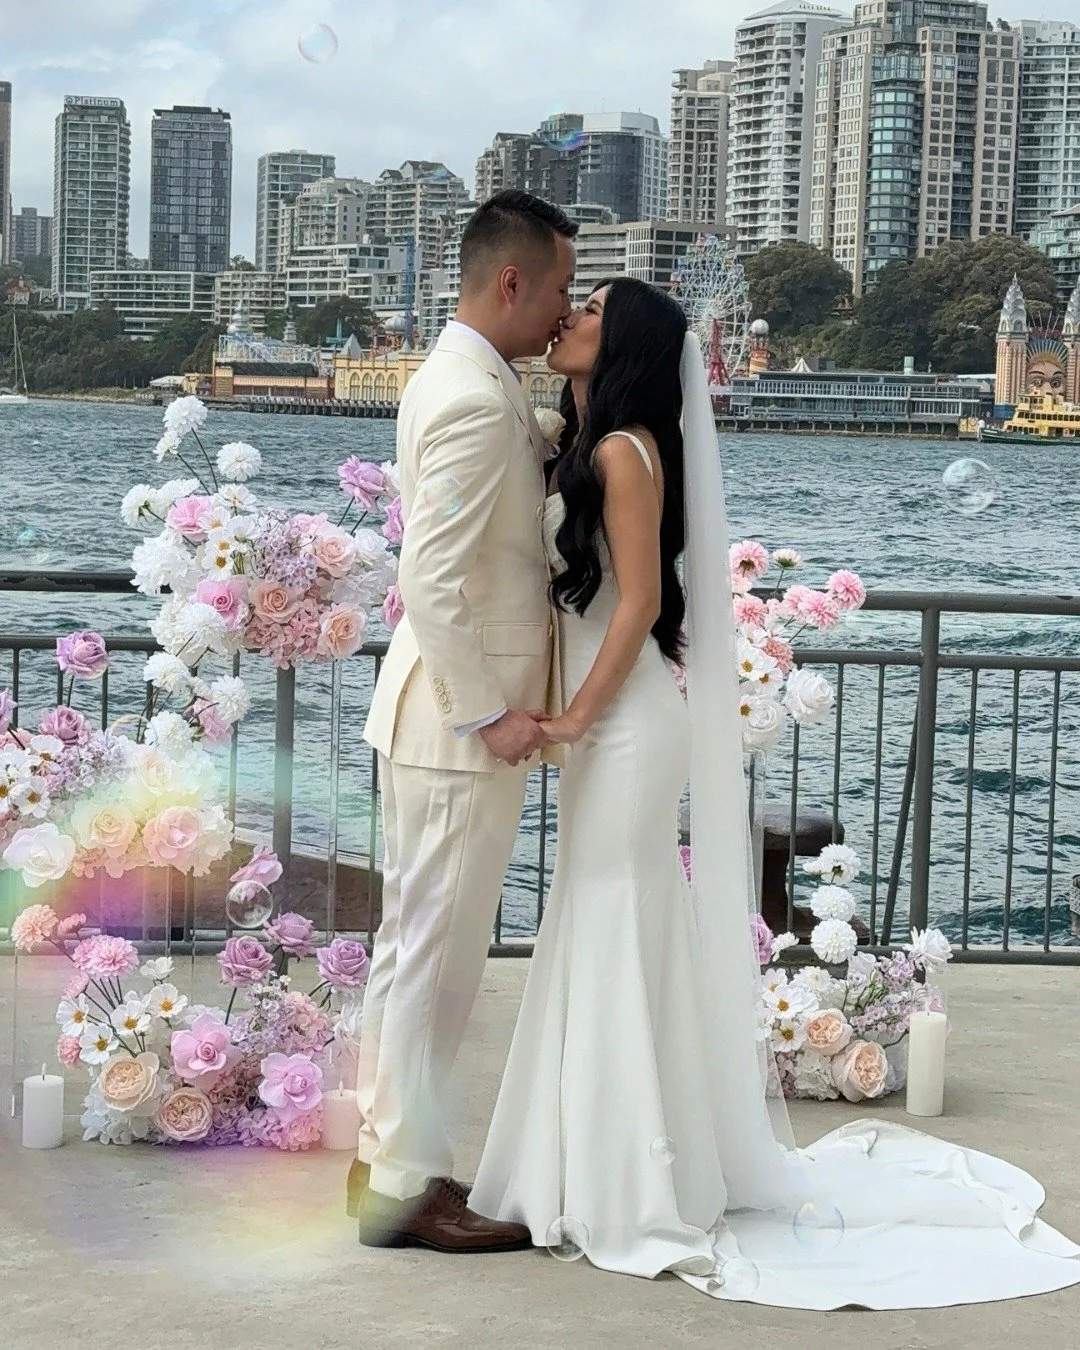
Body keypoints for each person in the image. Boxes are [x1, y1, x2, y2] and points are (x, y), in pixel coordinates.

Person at [469, 278, 1080, 1308]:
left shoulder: (624, 454)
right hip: (613, 725)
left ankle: (623, 1181)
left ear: (622, 346)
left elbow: (645, 607)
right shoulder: (593, 441)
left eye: (590, 313)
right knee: (604, 920)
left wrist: (574, 720)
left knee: (615, 921)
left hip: (622, 727)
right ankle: (596, 1162)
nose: (568, 318)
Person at [350, 191, 577, 1252]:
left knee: (414, 949)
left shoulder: (470, 382)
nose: (563, 313)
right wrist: (489, 714)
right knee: (438, 956)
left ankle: (387, 1161)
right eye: (562, 291)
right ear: (512, 282)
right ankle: (408, 1183)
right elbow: (430, 579)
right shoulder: (476, 402)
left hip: (434, 722)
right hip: (452, 729)